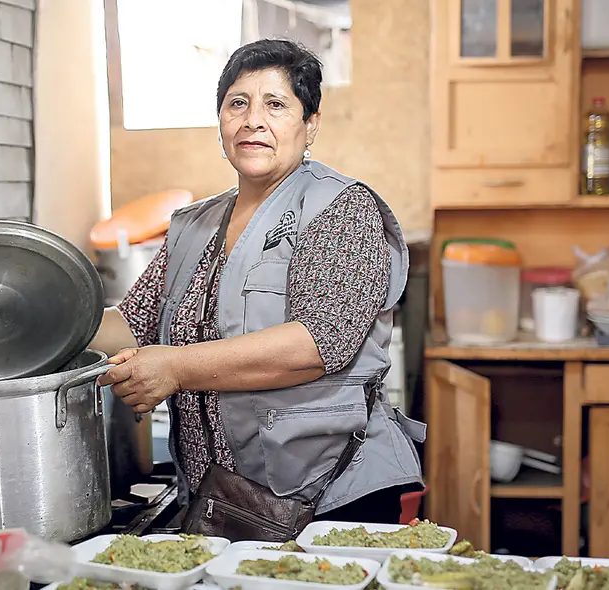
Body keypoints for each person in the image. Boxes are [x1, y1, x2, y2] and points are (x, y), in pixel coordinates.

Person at [90, 38, 426, 524]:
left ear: (310, 124)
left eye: (276, 104)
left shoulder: (340, 208)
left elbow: (318, 344)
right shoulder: (193, 226)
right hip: (222, 501)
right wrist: (45, 327)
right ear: (220, 121)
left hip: (328, 495)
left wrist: (176, 367)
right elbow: (135, 323)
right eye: (238, 103)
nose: (253, 120)